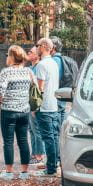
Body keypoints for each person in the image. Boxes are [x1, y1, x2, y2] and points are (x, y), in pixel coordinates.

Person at [0, 45, 34, 180]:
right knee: (23, 141)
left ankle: (9, 172)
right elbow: (34, 87)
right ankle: (24, 172)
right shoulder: (28, 71)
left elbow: (1, 90)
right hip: (24, 110)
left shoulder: (6, 72)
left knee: (8, 141)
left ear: (11, 57)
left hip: (9, 111)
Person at [33, 37, 61, 177]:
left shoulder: (42, 65)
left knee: (48, 137)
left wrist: (35, 107)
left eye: (38, 45)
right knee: (54, 137)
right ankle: (54, 164)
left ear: (44, 46)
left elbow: (40, 88)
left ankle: (51, 168)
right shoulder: (54, 63)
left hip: (44, 106)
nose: (36, 48)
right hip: (53, 104)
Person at [26, 45, 46, 167]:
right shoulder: (30, 67)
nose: (28, 53)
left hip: (34, 103)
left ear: (37, 55)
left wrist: (36, 106)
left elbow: (39, 88)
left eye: (31, 52)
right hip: (28, 103)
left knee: (36, 129)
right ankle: (34, 153)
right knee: (31, 130)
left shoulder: (39, 67)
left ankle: (40, 155)